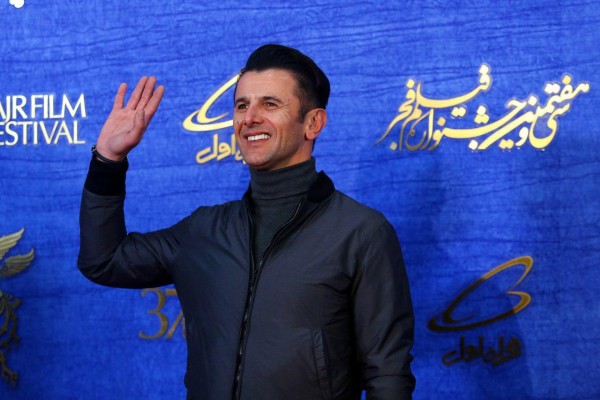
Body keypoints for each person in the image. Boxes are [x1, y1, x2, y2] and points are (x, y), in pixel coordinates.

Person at [78, 44, 415, 400]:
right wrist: (108, 160)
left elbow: (387, 375)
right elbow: (104, 260)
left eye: (270, 104)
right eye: (242, 105)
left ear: (313, 123)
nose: (249, 118)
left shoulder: (360, 232)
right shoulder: (203, 230)